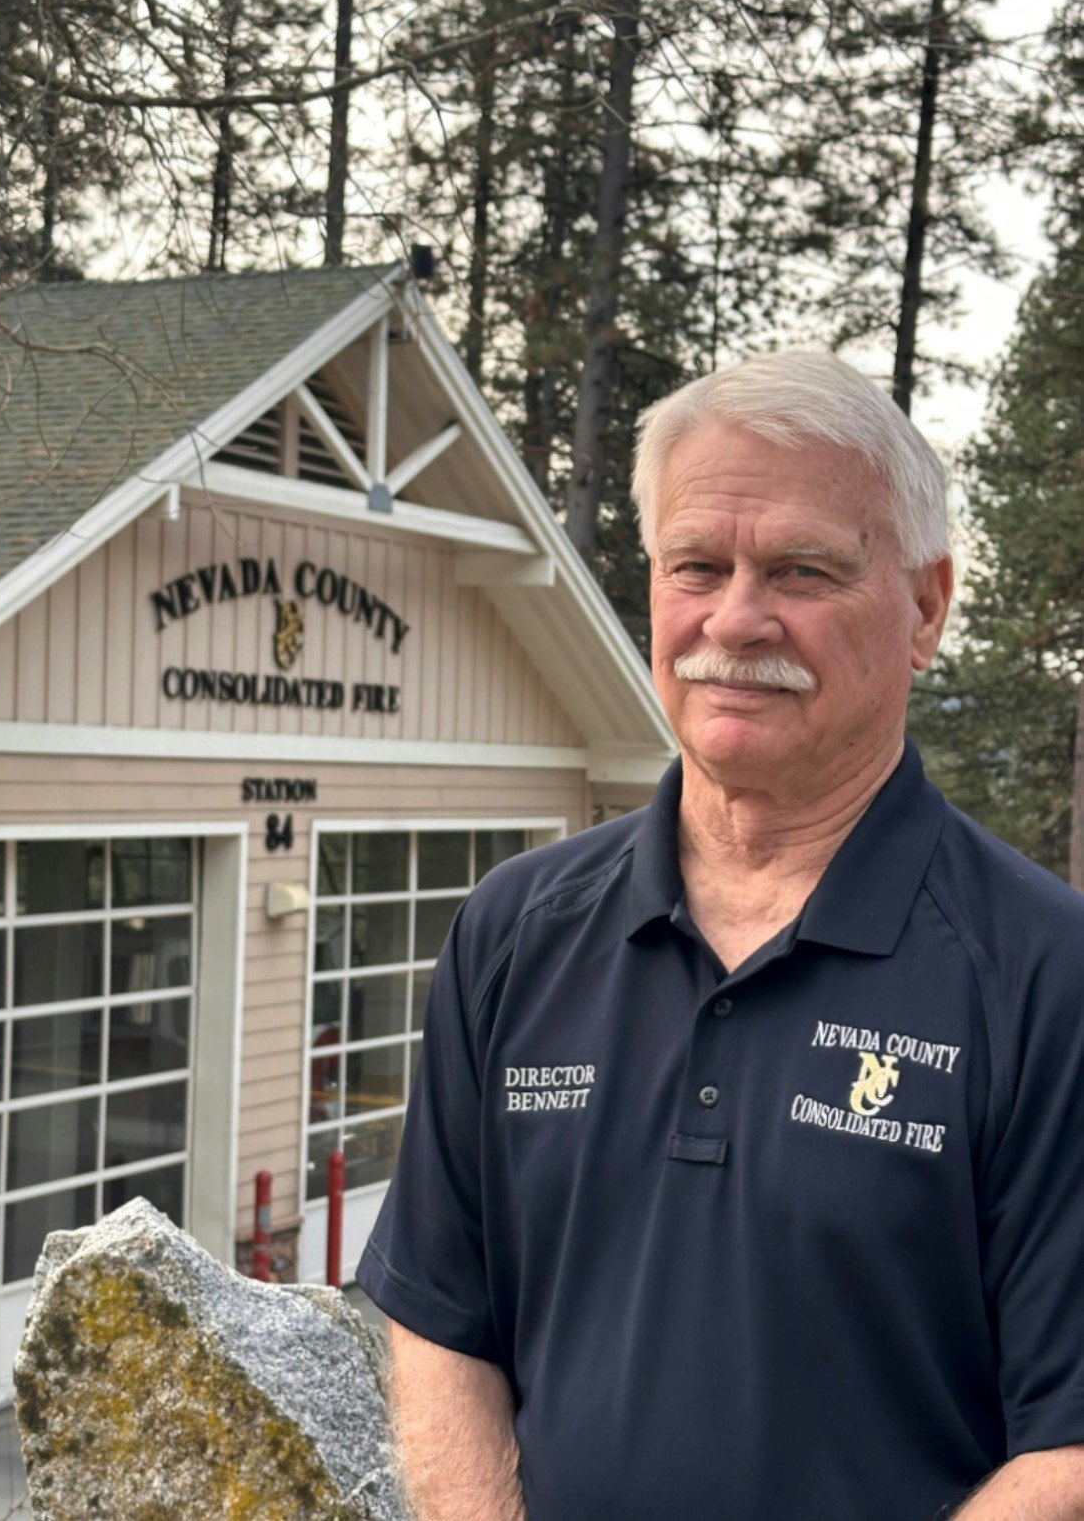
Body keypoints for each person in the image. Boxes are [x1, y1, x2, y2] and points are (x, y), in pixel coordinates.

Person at [355, 352, 1084, 1520]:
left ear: (927, 607)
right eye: (699, 564)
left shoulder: (1049, 978)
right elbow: (443, 1323)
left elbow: (1069, 1453)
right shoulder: (514, 931)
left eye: (802, 568)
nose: (735, 619)